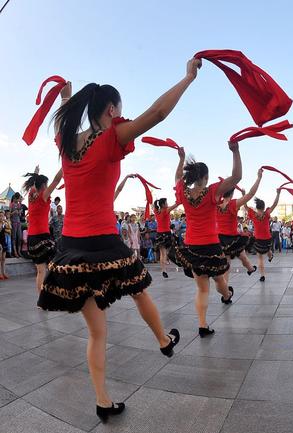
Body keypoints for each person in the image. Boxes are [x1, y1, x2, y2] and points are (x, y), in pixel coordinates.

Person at [37, 59, 199, 420]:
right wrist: (187, 77)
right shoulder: (112, 136)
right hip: (103, 240)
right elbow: (157, 113)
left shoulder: (66, 142)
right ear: (112, 109)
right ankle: (163, 340)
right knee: (139, 290)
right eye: (119, 110)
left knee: (97, 333)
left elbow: (63, 122)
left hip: (71, 247)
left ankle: (102, 400)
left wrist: (65, 99)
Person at [173, 143, 239, 337]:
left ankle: (203, 325)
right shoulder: (212, 191)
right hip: (210, 245)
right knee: (219, 278)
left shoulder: (183, 192)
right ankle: (227, 295)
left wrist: (181, 159)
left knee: (202, 289)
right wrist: (235, 151)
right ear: (205, 177)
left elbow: (177, 177)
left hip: (192, 246)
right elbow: (236, 177)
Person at [217, 168, 262, 287]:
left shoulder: (216, 204)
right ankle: (250, 269)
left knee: (227, 264)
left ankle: (225, 291)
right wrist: (259, 178)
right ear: (232, 193)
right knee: (242, 256)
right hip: (232, 238)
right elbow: (251, 194)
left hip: (220, 239)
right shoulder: (233, 204)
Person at [23, 166, 63, 292]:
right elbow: (56, 180)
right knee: (59, 261)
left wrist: (35, 174)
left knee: (41, 271)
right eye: (46, 184)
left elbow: (32, 184)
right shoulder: (43, 196)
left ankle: (42, 298)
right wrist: (65, 165)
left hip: (32, 238)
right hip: (42, 237)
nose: (47, 186)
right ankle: (56, 290)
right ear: (43, 185)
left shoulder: (31, 196)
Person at [245, 190, 281, 281]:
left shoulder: (253, 214)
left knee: (260, 257)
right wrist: (278, 193)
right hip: (268, 238)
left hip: (258, 239)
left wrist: (243, 194)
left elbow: (245, 206)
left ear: (256, 207)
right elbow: (275, 204)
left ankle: (262, 276)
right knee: (268, 249)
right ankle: (270, 256)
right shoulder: (267, 213)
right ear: (264, 207)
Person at [153, 198, 180, 278]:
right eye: (166, 202)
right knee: (166, 253)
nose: (167, 204)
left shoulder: (156, 211)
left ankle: (163, 270)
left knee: (162, 253)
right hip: (166, 234)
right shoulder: (165, 211)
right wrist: (180, 199)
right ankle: (169, 261)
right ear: (163, 205)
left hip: (159, 234)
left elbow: (153, 206)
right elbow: (176, 205)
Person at [9, 192, 27, 257]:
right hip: (13, 222)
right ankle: (15, 252)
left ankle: (19, 251)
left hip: (19, 222)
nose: (19, 200)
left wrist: (19, 212)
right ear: (15, 198)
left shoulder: (19, 205)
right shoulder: (11, 204)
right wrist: (14, 212)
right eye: (18, 199)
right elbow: (8, 214)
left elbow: (19, 214)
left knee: (20, 237)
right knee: (14, 237)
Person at [0, 212, 9, 279]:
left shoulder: (4, 223)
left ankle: (4, 273)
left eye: (2, 216)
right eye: (0, 216)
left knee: (3, 259)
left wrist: (6, 222)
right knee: (0, 258)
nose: (1, 217)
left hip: (3, 242)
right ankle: (0, 273)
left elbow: (10, 228)